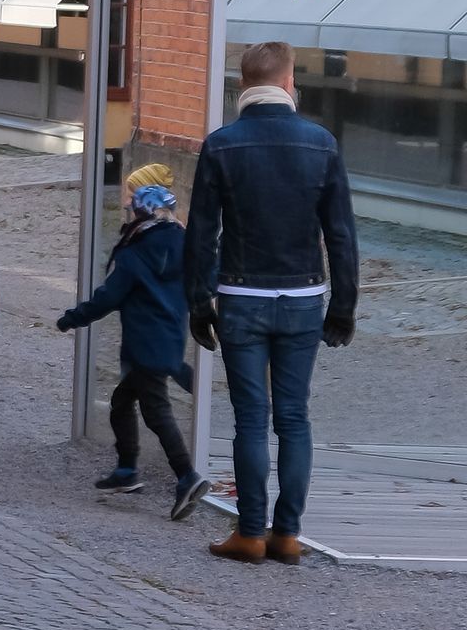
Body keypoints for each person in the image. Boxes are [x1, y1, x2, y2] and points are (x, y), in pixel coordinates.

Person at [184, 38, 358, 564]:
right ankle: (287, 534)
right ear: (288, 83)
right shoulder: (322, 143)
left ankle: (251, 532)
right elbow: (342, 235)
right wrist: (343, 307)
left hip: (241, 298)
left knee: (250, 419)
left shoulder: (221, 145)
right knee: (294, 418)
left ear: (243, 86)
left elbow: (201, 235)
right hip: (304, 298)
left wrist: (198, 302)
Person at [55, 167, 201, 518]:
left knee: (156, 410)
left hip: (144, 343)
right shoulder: (185, 244)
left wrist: (72, 318)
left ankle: (186, 476)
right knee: (122, 401)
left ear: (140, 213)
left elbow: (109, 297)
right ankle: (126, 470)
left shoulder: (133, 253)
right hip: (169, 336)